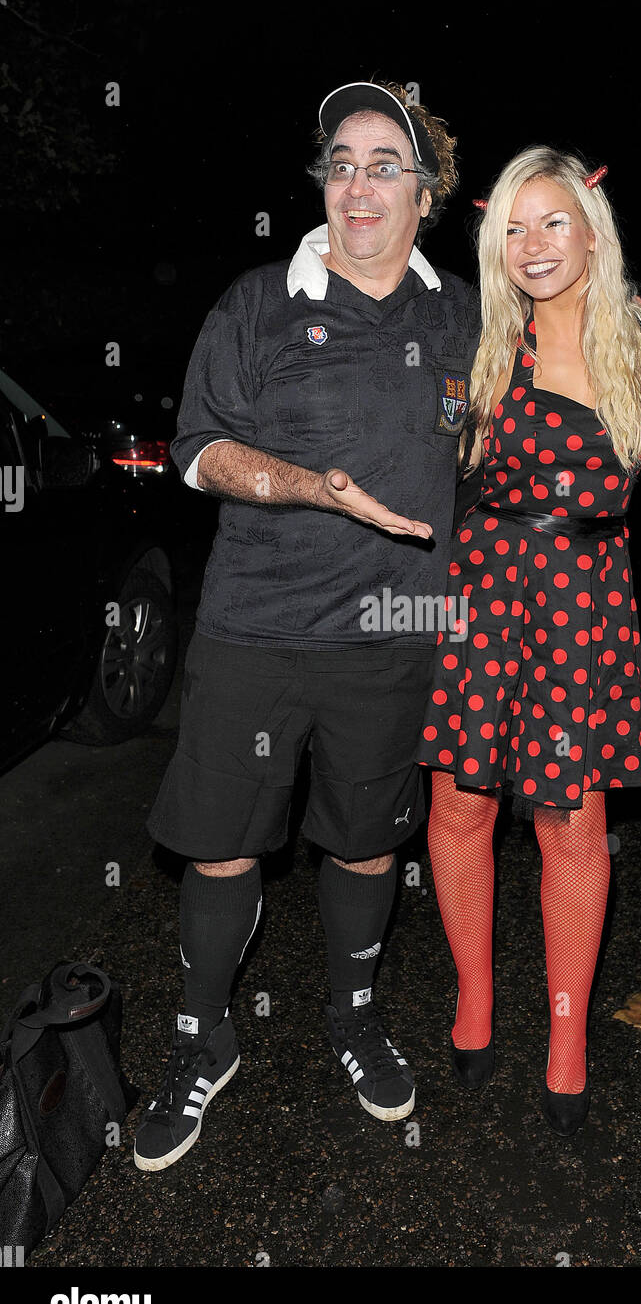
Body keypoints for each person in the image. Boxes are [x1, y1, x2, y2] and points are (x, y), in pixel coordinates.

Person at [134, 81, 482, 1170]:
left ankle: (354, 1016)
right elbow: (196, 449)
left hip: (397, 632)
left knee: (368, 839)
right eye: (341, 161)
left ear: (426, 194)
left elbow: (568, 339)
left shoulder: (464, 314)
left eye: (387, 164)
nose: (358, 183)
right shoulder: (255, 302)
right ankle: (205, 1037)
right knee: (224, 845)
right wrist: (309, 486)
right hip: (256, 627)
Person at [417, 146, 641, 1136]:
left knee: (572, 823)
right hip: (484, 591)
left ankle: (567, 1039)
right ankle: (474, 1000)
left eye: (551, 222)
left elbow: (623, 493)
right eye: (512, 229)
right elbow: (433, 473)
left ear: (590, 228)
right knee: (460, 803)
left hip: (583, 599)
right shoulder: (478, 346)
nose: (531, 245)